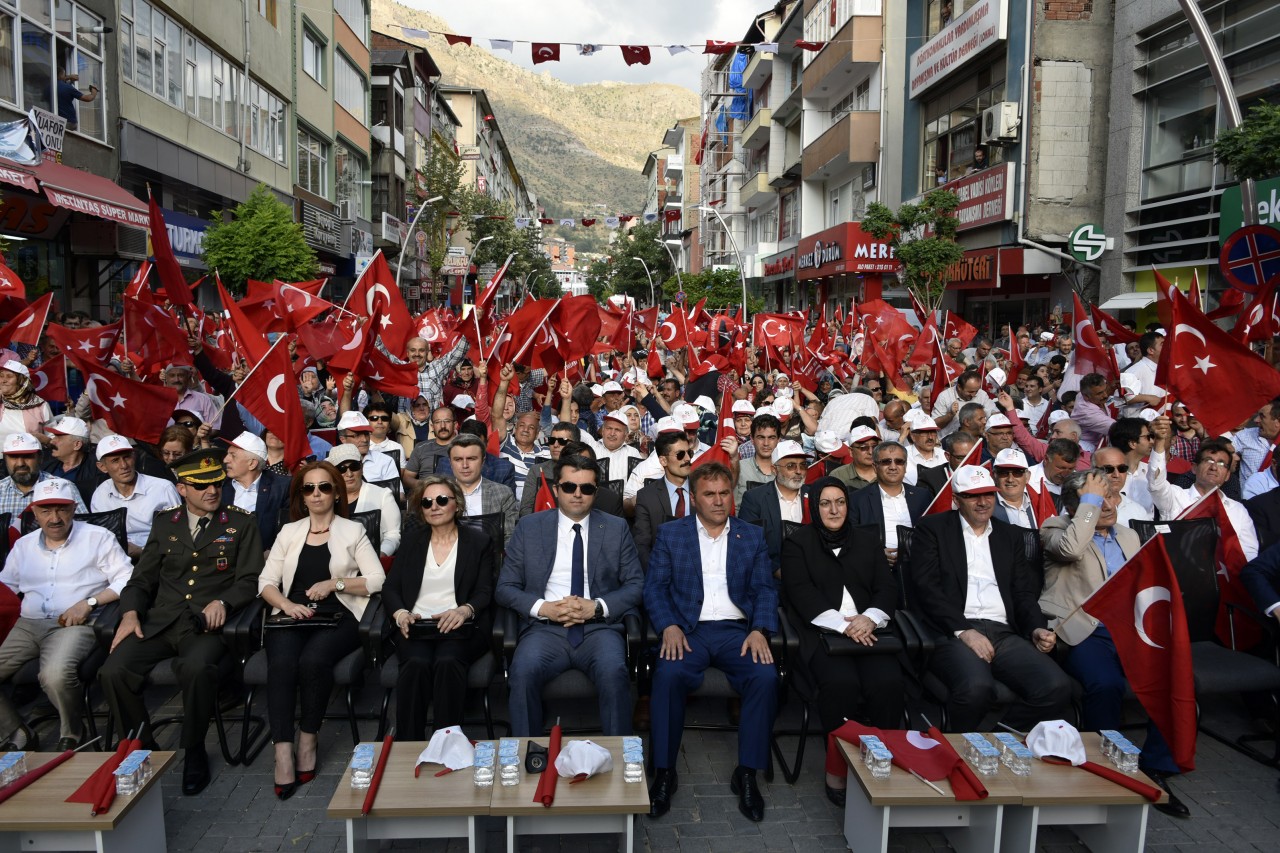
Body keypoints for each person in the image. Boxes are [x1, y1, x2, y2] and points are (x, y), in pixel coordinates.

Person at [99, 449, 264, 796]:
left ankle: (194, 749)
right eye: (201, 485)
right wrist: (130, 612)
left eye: (217, 483)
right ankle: (143, 748)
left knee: (196, 668)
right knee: (113, 671)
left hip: (206, 625)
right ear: (182, 489)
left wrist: (224, 601)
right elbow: (142, 579)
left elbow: (251, 579)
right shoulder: (165, 523)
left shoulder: (241, 522)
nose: (212, 491)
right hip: (160, 621)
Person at [1039, 470, 1189, 817]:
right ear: (1073, 507)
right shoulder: (1055, 528)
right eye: (1096, 498)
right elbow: (1071, 549)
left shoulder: (1128, 535)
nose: (1107, 505)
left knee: (1169, 679)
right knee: (1106, 684)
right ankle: (1103, 764)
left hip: (1128, 628)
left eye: (1109, 496)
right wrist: (1088, 504)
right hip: (1083, 629)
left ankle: (1155, 766)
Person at [644, 462, 778, 822]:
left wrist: (759, 629)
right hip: (689, 630)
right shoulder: (672, 534)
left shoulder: (751, 535)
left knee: (765, 677)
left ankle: (747, 773)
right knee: (667, 676)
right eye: (709, 494)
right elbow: (654, 588)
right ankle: (665, 772)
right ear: (693, 498)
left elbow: (765, 589)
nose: (718, 501)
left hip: (737, 631)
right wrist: (668, 625)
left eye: (724, 493)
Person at [908, 465, 1072, 732]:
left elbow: (1023, 592)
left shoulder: (1010, 535)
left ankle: (999, 737)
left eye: (988, 494)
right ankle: (956, 747)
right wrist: (964, 631)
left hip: (1003, 632)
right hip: (953, 631)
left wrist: (1036, 628)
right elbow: (927, 588)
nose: (983, 502)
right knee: (977, 688)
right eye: (973, 496)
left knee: (1057, 686)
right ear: (956, 499)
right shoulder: (932, 529)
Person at [258, 462, 384, 800]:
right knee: (282, 665)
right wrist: (286, 605)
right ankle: (282, 751)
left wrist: (334, 583)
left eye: (324, 487)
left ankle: (308, 739)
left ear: (336, 493)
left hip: (338, 614)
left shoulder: (353, 530)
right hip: (291, 614)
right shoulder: (289, 531)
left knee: (313, 661)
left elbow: (377, 580)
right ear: (301, 495)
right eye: (309, 488)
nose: (316, 494)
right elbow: (266, 582)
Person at [495, 455, 644, 736]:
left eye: (586, 488)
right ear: (556, 489)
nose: (577, 494)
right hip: (544, 630)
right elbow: (505, 587)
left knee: (614, 673)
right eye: (569, 487)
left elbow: (636, 585)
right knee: (522, 672)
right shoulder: (530, 527)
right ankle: (528, 752)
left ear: (595, 492)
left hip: (599, 629)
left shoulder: (615, 528)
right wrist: (544, 608)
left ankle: (619, 756)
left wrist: (597, 607)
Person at [781, 477, 902, 806]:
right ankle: (837, 770)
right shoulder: (797, 543)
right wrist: (842, 625)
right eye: (825, 503)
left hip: (870, 631)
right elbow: (800, 592)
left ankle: (881, 761)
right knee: (841, 684)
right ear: (814, 507)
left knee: (888, 682)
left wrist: (869, 618)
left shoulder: (867, 540)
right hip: (822, 633)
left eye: (840, 502)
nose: (834, 510)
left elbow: (887, 587)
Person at [0, 479, 131, 750]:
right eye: (46, 511)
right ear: (34, 513)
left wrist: (90, 602)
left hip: (73, 623)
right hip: (27, 624)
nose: (55, 518)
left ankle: (73, 733)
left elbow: (128, 578)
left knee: (55, 675)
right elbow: (7, 587)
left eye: (61, 509)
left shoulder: (97, 537)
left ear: (73, 509)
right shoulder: (23, 545)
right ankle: (17, 731)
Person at [383, 476, 494, 741]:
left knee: (447, 661)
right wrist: (401, 614)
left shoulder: (478, 542)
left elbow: (485, 591)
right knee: (416, 663)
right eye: (427, 502)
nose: (434, 506)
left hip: (461, 626)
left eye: (442, 500)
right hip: (416, 625)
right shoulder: (411, 541)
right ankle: (408, 745)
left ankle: (446, 743)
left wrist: (465, 610)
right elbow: (390, 588)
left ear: (457, 504)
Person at [1147, 426, 1259, 561]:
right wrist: (1160, 442)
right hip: (1179, 569)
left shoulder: (1238, 510)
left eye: (1221, 464)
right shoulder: (1175, 496)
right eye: (1209, 460)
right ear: (1194, 468)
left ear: (1227, 475)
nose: (1214, 467)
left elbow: (1249, 553)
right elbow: (1156, 483)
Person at [848, 441, 931, 562]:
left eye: (899, 461)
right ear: (875, 467)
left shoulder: (922, 496)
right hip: (878, 566)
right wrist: (875, 553)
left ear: (905, 466)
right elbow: (851, 538)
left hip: (918, 563)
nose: (893, 467)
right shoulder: (857, 500)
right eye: (886, 462)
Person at [738, 440, 810, 575]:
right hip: (771, 577)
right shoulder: (754, 499)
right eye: (791, 466)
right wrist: (776, 571)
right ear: (774, 469)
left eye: (803, 465)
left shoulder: (815, 495)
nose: (799, 471)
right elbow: (748, 544)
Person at [221, 432, 290, 554]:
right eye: (227, 454)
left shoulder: (282, 487)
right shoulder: (219, 485)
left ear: (252, 464)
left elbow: (288, 529)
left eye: (233, 456)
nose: (226, 460)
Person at [631, 431, 692, 571]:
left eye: (689, 453)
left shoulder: (703, 489)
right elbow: (642, 545)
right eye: (680, 455)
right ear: (663, 461)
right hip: (661, 571)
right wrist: (657, 576)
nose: (688, 459)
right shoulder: (646, 497)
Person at [328, 445, 401, 557]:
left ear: (361, 468)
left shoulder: (382, 495)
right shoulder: (326, 498)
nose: (349, 474)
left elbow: (393, 535)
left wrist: (379, 555)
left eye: (354, 466)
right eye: (341, 469)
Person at [444, 433, 517, 545]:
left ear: (483, 461)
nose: (465, 465)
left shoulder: (503, 494)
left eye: (471, 459)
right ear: (450, 462)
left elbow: (510, 538)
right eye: (458, 459)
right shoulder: (438, 494)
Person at [1, 433, 87, 522]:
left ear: (40, 458)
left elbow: (83, 526)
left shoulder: (64, 487)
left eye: (27, 456)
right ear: (5, 459)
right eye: (13, 457)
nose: (20, 464)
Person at [518, 422, 580, 518]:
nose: (555, 445)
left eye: (562, 441)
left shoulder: (585, 471)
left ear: (575, 445)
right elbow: (525, 509)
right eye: (552, 440)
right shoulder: (537, 471)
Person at [42, 415, 104, 505]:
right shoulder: (45, 464)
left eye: (58, 437)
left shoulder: (96, 471)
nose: (52, 441)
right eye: (54, 436)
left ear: (77, 445)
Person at [335, 412, 398, 484]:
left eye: (366, 434)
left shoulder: (385, 461)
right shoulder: (331, 465)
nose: (365, 440)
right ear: (343, 439)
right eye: (357, 435)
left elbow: (397, 491)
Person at [500, 411, 550, 502]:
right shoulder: (505, 443)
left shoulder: (547, 452)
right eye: (522, 425)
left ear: (537, 434)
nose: (526, 430)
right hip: (507, 503)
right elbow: (496, 416)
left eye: (531, 427)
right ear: (515, 428)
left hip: (536, 504)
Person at [403, 406, 457, 487]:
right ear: (432, 426)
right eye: (437, 422)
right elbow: (407, 477)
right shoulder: (421, 448)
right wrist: (425, 486)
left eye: (447, 421)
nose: (443, 426)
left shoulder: (465, 448)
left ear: (455, 425)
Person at [734, 413, 780, 505]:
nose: (766, 443)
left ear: (778, 440)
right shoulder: (739, 468)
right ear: (752, 439)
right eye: (761, 437)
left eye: (771, 438)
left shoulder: (785, 470)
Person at [0, 359, 51, 442]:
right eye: (1, 376)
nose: (3, 380)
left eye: (9, 376)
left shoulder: (40, 405)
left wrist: (42, 439)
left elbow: (52, 438)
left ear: (22, 381)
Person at [990, 448, 1040, 529]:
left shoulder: (1040, 504)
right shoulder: (985, 508)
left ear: (1027, 477)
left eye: (1017, 473)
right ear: (994, 476)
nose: (1010, 479)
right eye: (1003, 473)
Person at [829, 426, 880, 491]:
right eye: (864, 447)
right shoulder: (838, 476)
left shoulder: (888, 471)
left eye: (874, 447)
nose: (870, 452)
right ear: (851, 451)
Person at [903, 416, 946, 487]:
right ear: (913, 436)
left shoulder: (944, 455)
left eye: (933, 432)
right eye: (925, 433)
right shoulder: (903, 455)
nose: (930, 437)